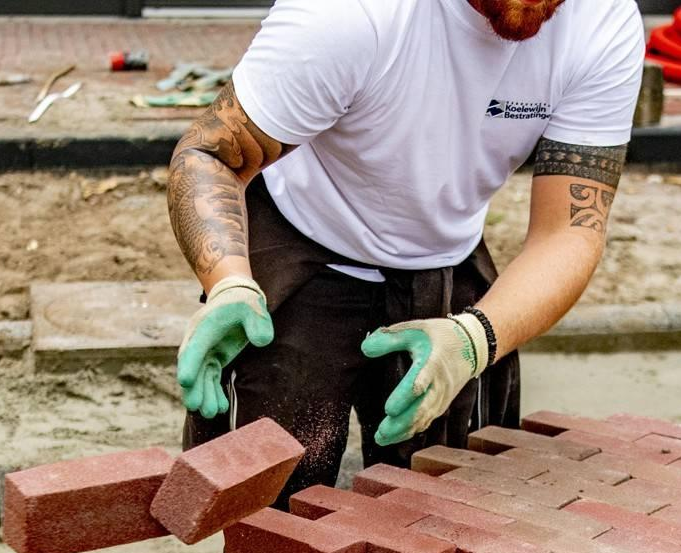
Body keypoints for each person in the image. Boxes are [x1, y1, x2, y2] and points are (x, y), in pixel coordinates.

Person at [167, 0, 646, 500]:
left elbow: (569, 230)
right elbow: (210, 154)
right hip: (307, 230)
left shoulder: (601, 17)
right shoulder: (352, 14)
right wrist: (228, 283)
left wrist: (475, 340)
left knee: (455, 505)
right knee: (265, 500)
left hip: (445, 249)